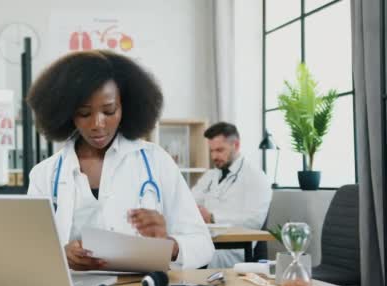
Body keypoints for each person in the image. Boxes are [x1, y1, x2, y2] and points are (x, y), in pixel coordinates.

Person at [26, 50, 214, 270]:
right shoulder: (44, 174)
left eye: (109, 110)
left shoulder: (156, 162)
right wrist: (61, 254)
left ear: (125, 106)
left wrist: (168, 246)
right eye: (84, 113)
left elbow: (203, 246)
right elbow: (30, 250)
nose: (98, 123)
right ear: (67, 113)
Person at [191, 122, 272, 268]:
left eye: (220, 150)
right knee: (171, 252)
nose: (214, 156)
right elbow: (190, 201)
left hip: (234, 250)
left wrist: (212, 217)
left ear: (236, 145)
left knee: (185, 258)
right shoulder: (211, 175)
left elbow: (253, 221)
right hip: (208, 241)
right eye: (212, 151)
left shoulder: (256, 177)